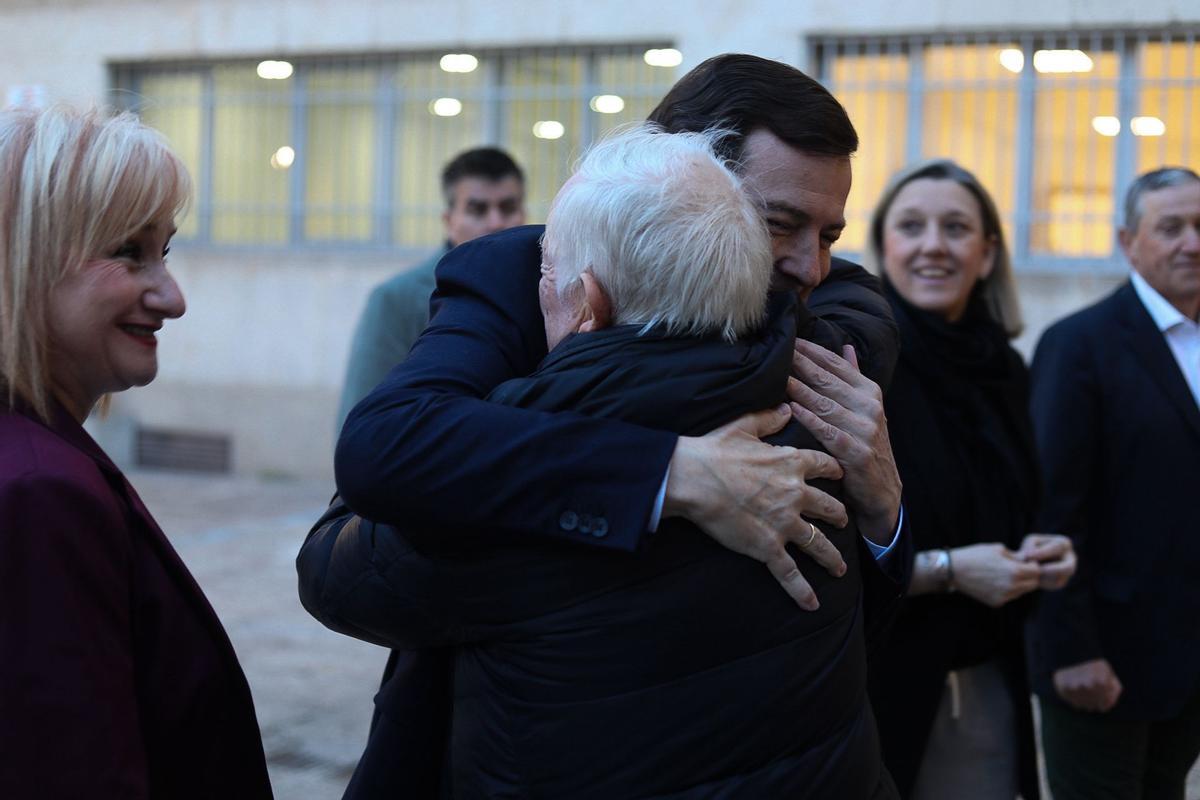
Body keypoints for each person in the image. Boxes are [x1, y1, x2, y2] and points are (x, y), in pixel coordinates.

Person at [302, 53, 908, 799]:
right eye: (777, 223)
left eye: (830, 233)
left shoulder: (836, 316)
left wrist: (886, 512)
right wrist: (667, 471)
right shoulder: (520, 274)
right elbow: (385, 445)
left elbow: (342, 565)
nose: (810, 268)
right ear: (681, 172)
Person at [0, 106, 273, 798]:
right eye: (128, 251)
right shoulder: (39, 490)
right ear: (24, 261)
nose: (171, 297)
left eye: (166, 252)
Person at [861, 159, 1076, 799]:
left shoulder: (1005, 368)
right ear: (884, 248)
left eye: (956, 227)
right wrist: (950, 569)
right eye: (912, 226)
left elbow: (1014, 508)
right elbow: (830, 552)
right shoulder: (858, 365)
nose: (934, 245)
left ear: (986, 254)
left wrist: (1041, 553)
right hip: (882, 685)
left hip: (989, 675)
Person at [1028, 166, 1200, 800]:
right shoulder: (1079, 346)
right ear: (1129, 242)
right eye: (1172, 227)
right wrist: (1069, 648)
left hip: (1187, 657)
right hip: (1103, 661)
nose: (1192, 243)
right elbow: (1050, 506)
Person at [336, 146, 525, 427]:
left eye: (507, 208)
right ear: (449, 221)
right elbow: (360, 426)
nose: (496, 223)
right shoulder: (397, 299)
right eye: (478, 209)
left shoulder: (542, 293)